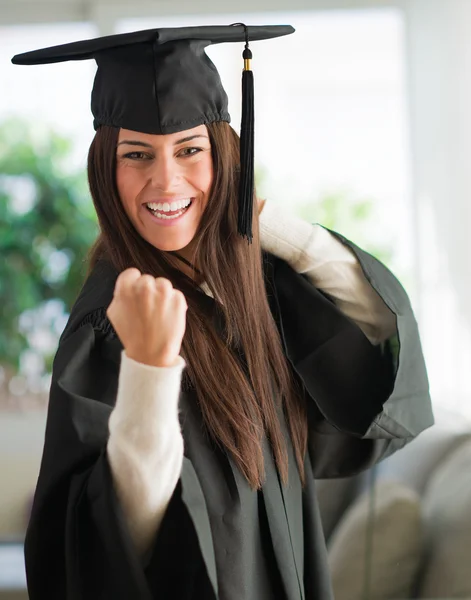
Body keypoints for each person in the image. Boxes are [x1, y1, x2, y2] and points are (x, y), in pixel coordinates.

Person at [13, 24, 433, 600]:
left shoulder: (248, 290)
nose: (166, 180)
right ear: (106, 172)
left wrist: (273, 227)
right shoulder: (112, 322)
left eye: (190, 149)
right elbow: (110, 543)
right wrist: (150, 368)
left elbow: (379, 330)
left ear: (225, 155)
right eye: (137, 155)